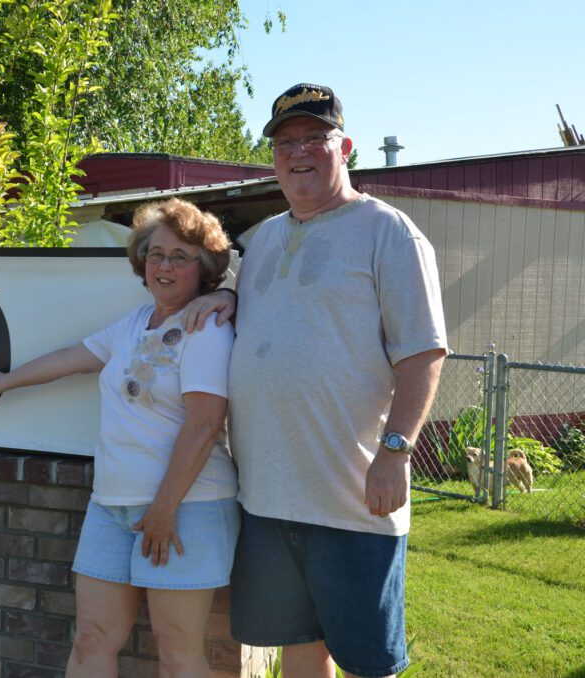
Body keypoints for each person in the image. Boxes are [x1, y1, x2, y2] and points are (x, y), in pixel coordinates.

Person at [184, 83, 448, 678]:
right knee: (300, 649)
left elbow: (423, 354)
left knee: (365, 662)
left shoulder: (390, 233)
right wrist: (226, 294)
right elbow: (258, 308)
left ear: (346, 146)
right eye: (284, 143)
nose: (298, 153)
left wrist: (396, 453)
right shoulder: (267, 238)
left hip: (351, 498)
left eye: (314, 139)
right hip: (268, 498)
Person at [0, 198, 238, 677]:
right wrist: (4, 381)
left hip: (185, 509)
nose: (164, 267)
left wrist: (163, 509)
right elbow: (71, 358)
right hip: (111, 506)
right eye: (155, 254)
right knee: (92, 640)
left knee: (177, 652)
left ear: (206, 267)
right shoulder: (133, 324)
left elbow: (204, 424)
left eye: (180, 256)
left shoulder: (206, 328)